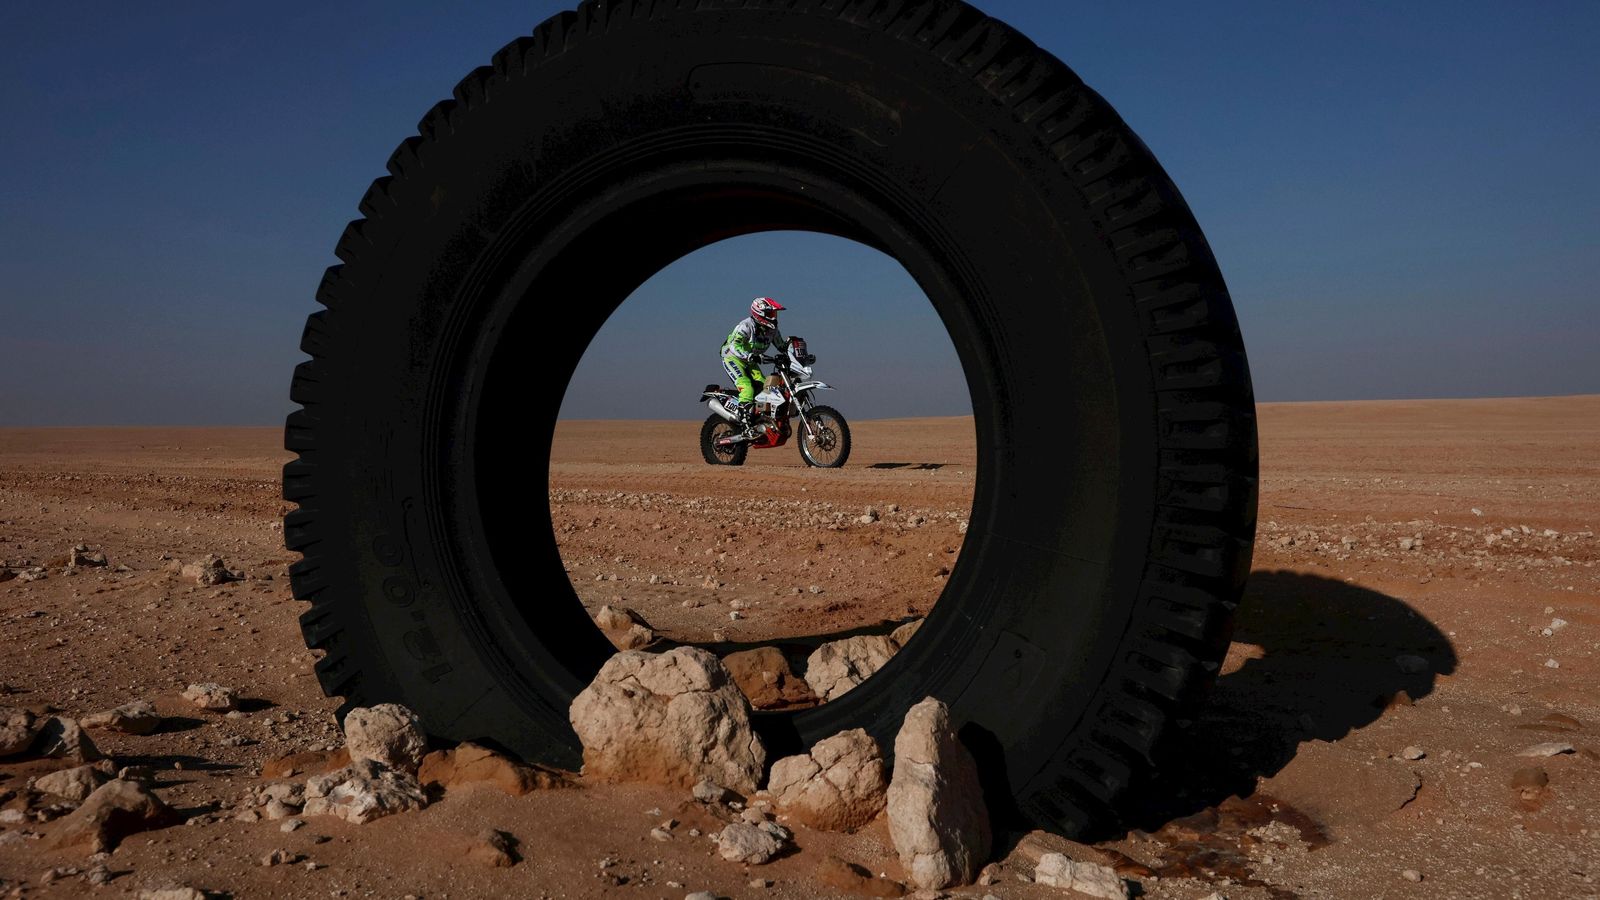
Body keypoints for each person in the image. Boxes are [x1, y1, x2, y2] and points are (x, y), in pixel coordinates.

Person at [720, 296, 785, 431]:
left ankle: (758, 417)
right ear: (759, 313)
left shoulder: (772, 331)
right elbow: (733, 345)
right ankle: (744, 422)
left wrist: (798, 352)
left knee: (764, 388)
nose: (773, 317)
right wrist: (748, 355)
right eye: (770, 314)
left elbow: (782, 347)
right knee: (747, 387)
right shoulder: (746, 326)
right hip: (733, 358)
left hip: (750, 360)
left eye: (774, 314)